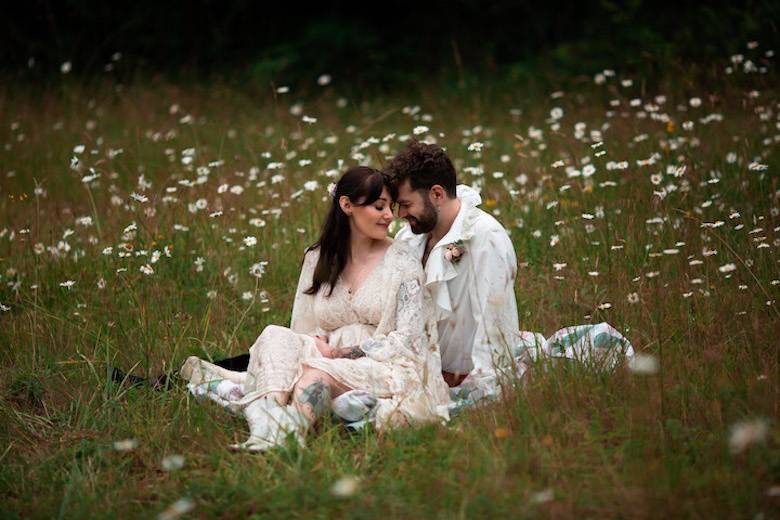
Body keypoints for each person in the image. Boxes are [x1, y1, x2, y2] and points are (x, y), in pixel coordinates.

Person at [179, 166, 451, 451]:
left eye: (391, 207)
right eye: (379, 206)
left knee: (316, 372)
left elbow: (409, 340)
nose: (389, 216)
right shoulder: (318, 258)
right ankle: (270, 424)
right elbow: (303, 329)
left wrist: (336, 354)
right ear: (346, 205)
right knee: (274, 335)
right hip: (324, 353)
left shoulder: (402, 261)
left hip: (384, 364)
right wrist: (314, 345)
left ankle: (287, 433)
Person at [384, 140, 522, 397]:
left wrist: (483, 386)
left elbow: (494, 321)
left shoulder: (485, 237)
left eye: (406, 204)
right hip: (419, 368)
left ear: (437, 194)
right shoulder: (409, 237)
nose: (400, 214)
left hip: (465, 374)